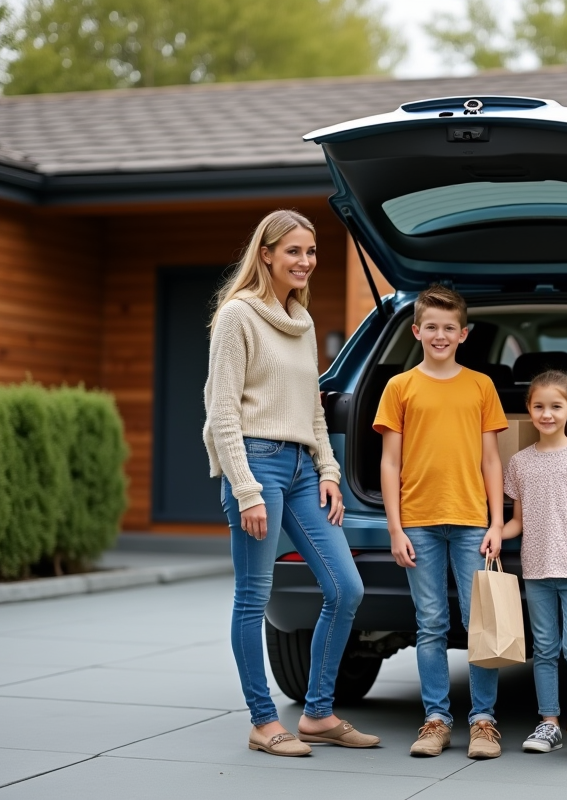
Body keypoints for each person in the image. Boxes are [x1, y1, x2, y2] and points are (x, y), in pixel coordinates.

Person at [204, 209, 378, 757]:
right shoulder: (238, 317)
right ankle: (262, 721)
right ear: (266, 256)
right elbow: (221, 411)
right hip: (255, 464)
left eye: (311, 251)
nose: (305, 261)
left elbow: (314, 410)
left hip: (303, 469)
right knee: (253, 598)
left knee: (345, 588)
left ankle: (318, 714)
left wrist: (328, 468)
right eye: (294, 252)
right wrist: (246, 489)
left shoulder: (301, 322)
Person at [373, 284, 509, 759]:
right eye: (431, 327)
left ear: (464, 334)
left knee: (480, 625)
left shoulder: (480, 386)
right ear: (416, 331)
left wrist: (496, 522)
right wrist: (395, 528)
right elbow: (390, 463)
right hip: (419, 523)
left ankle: (484, 721)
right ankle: (435, 720)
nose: (440, 335)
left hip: (473, 520)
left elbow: (493, 460)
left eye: (449, 328)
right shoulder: (400, 387)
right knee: (430, 623)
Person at [502, 369, 567, 759]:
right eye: (539, 407)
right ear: (528, 410)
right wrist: (497, 534)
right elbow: (518, 520)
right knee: (545, 648)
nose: (547, 414)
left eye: (555, 407)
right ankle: (550, 723)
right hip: (536, 570)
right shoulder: (519, 463)